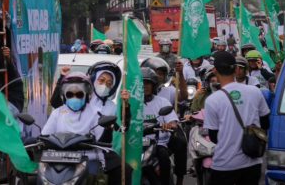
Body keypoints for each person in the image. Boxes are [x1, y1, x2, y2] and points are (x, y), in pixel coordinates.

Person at [42, 73, 131, 183]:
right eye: (70, 94)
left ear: (86, 95)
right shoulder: (57, 112)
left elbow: (102, 140)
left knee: (124, 169)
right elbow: (45, 135)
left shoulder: (95, 113)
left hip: (87, 157)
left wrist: (108, 128)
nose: (74, 97)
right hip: (58, 158)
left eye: (79, 94)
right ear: (65, 96)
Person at [204, 50, 270, 184]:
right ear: (235, 69)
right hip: (252, 162)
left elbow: (213, 136)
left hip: (224, 165)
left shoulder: (212, 100)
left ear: (215, 71)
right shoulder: (255, 92)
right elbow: (265, 123)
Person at [141, 57, 187, 185]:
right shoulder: (132, 103)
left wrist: (170, 125)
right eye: (142, 83)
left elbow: (173, 121)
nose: (145, 87)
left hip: (158, 143)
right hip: (135, 144)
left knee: (165, 157)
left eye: (148, 83)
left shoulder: (163, 101)